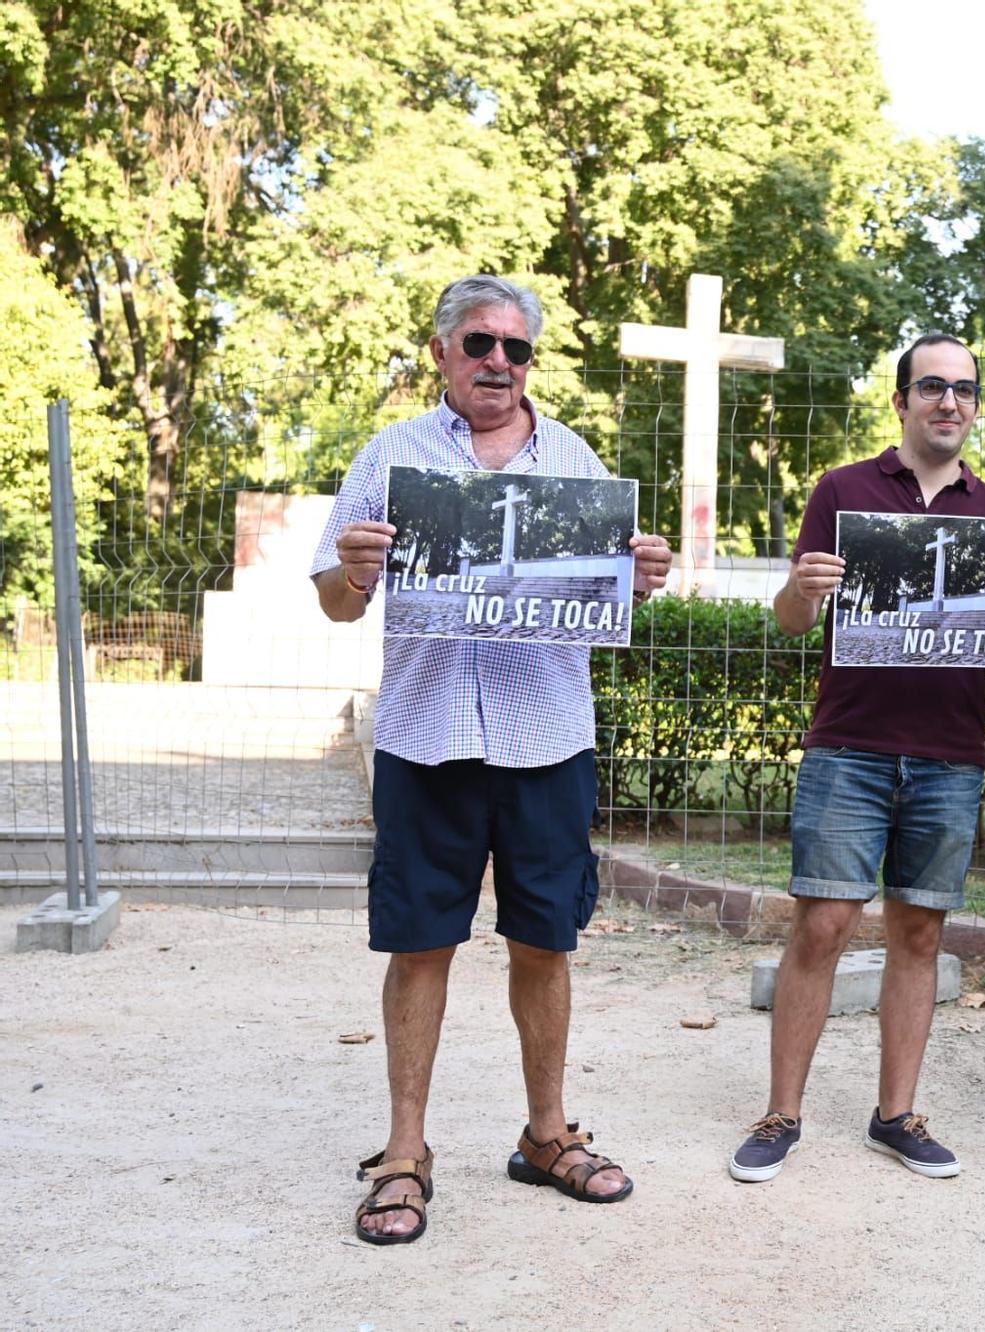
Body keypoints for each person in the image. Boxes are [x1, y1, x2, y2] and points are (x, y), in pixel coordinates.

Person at [313, 275, 672, 1243]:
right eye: (480, 344)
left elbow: (602, 608)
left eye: (517, 350)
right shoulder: (389, 456)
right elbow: (335, 600)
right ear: (442, 351)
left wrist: (636, 578)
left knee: (544, 940)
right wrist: (351, 571)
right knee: (420, 941)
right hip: (427, 733)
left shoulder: (575, 461)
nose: (499, 365)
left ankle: (547, 1136)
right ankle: (403, 1152)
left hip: (544, 734)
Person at [729, 333, 985, 1183]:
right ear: (902, 401)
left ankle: (896, 1115)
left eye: (963, 390)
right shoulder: (843, 491)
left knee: (919, 932)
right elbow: (791, 621)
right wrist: (800, 590)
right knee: (824, 926)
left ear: (976, 405)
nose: (948, 403)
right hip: (851, 747)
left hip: (951, 754)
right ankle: (781, 1114)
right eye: (931, 388)